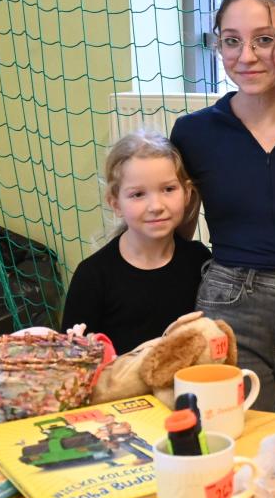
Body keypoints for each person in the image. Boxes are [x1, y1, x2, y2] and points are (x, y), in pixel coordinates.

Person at [171, 0, 275, 412]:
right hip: (229, 305)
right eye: (232, 41)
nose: (246, 56)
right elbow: (176, 231)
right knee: (239, 427)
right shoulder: (193, 133)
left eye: (264, 40)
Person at [62, 129, 210, 355]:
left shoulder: (199, 261)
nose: (156, 206)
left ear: (187, 194)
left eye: (168, 189)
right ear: (116, 204)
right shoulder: (93, 276)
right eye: (138, 194)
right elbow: (72, 358)